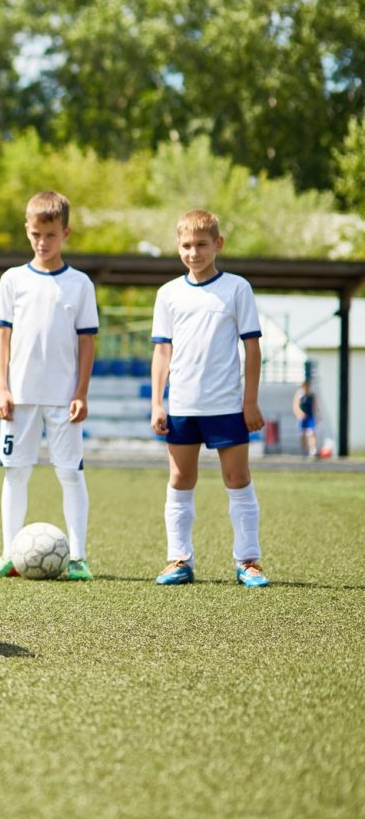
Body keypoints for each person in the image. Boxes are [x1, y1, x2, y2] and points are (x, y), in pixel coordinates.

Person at [0, 190, 98, 581]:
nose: (42, 242)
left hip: (63, 399)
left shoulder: (80, 284)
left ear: (65, 232)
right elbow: (2, 337)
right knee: (15, 472)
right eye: (35, 234)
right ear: (27, 232)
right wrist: (2, 388)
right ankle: (9, 554)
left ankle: (79, 557)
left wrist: (81, 392)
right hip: (20, 397)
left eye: (50, 235)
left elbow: (87, 340)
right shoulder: (13, 280)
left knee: (70, 473)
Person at [150, 209, 268, 587]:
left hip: (228, 406)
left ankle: (248, 561)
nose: (193, 252)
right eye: (186, 245)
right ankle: (178, 560)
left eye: (201, 244)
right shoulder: (168, 294)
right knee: (180, 479)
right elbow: (162, 352)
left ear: (218, 244)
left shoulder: (237, 288)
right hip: (182, 406)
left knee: (237, 478)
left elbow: (252, 349)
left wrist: (250, 402)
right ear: (177, 247)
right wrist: (157, 402)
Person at [293, 379, 319, 458]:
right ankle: (303, 450)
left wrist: (317, 416)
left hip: (310, 416)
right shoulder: (299, 394)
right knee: (302, 435)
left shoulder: (312, 395)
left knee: (311, 433)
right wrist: (299, 414)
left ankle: (313, 450)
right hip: (302, 417)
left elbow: (315, 406)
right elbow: (295, 406)